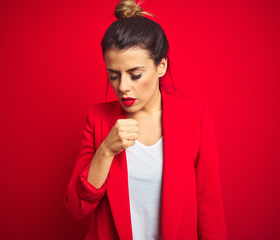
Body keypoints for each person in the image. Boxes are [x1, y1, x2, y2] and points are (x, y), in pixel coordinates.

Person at [65, 0, 227, 239]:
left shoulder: (195, 118)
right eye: (114, 75)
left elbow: (209, 210)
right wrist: (107, 150)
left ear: (161, 66)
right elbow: (77, 207)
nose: (123, 87)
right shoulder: (97, 119)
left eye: (135, 74)